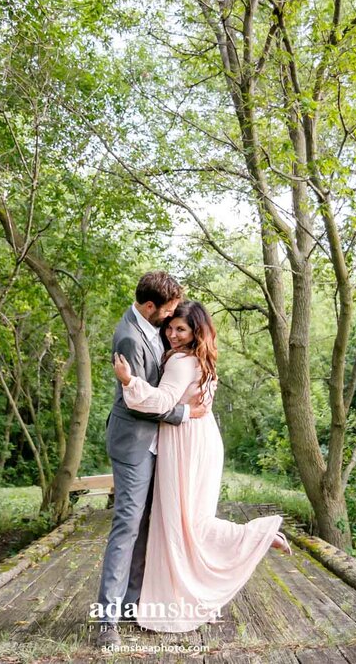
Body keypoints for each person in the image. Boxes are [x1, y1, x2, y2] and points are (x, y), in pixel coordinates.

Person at [112, 300, 291, 634]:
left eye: (181, 329)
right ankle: (191, 592)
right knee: (189, 521)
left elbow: (162, 402)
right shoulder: (203, 359)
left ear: (196, 331)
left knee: (185, 523)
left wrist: (129, 382)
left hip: (186, 443)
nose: (172, 334)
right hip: (202, 439)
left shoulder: (181, 360)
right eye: (170, 328)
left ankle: (257, 536)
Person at [95, 273, 208, 648]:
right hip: (134, 442)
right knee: (127, 525)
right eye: (170, 311)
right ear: (150, 307)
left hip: (158, 443)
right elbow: (137, 401)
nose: (173, 319)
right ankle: (106, 621)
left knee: (148, 522)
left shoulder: (153, 329)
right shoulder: (129, 335)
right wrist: (183, 414)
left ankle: (133, 604)